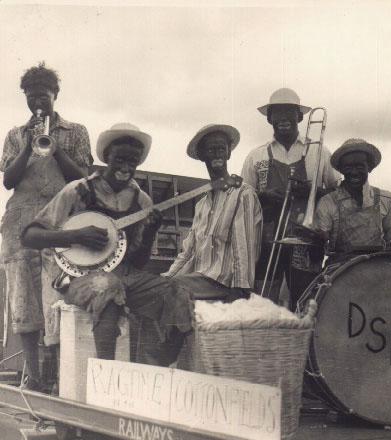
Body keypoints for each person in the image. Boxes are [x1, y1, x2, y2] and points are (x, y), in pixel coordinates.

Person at [21, 123, 192, 368]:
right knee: (107, 287)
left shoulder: (142, 200)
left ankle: (158, 366)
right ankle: (106, 375)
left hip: (125, 275)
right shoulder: (78, 190)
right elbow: (29, 236)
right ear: (106, 157)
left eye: (132, 162)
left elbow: (138, 262)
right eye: (119, 159)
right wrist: (76, 236)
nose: (125, 168)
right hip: (75, 276)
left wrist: (151, 230)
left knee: (177, 292)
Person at [0, 62, 92, 391]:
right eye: (31, 97)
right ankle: (34, 376)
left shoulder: (77, 131)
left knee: (58, 294)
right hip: (19, 222)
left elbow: (82, 177)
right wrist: (29, 143)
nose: (37, 103)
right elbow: (9, 179)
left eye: (43, 96)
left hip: (61, 217)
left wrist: (54, 146)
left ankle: (56, 377)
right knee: (23, 299)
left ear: (56, 95)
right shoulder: (14, 135)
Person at [241, 88, 338, 307]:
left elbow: (336, 194)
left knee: (305, 299)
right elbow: (242, 198)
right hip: (266, 240)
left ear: (300, 116)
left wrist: (313, 192)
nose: (283, 118)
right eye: (277, 112)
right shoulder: (255, 155)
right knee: (264, 301)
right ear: (269, 118)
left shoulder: (320, 151)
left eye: (289, 112)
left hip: (307, 238)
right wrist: (263, 196)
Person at [164, 124, 263, 301]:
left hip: (224, 285)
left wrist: (241, 290)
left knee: (168, 290)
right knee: (153, 287)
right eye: (211, 150)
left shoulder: (242, 194)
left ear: (228, 154)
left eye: (221, 149)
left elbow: (244, 246)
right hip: (199, 279)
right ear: (202, 156)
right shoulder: (202, 204)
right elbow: (188, 252)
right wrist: (165, 278)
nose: (217, 154)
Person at [313, 138, 391, 265]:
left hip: (378, 267)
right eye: (348, 167)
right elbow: (319, 243)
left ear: (369, 167)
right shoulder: (328, 202)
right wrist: (319, 239)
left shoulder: (386, 199)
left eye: (359, 166)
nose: (354, 172)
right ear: (340, 170)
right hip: (339, 271)